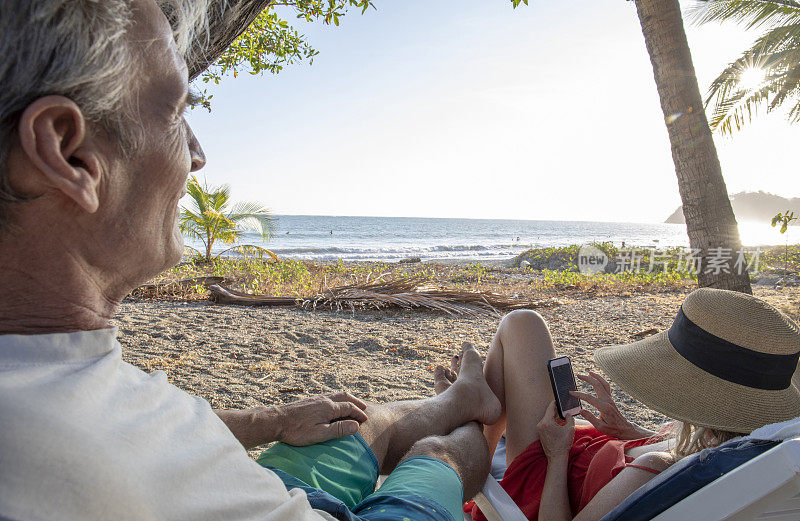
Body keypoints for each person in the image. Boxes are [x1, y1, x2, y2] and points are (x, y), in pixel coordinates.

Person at [0, 2, 502, 520]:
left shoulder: (40, 371)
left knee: (367, 420)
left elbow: (129, 424)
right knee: (437, 453)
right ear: (67, 150)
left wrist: (275, 419)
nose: (196, 155)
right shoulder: (61, 458)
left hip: (252, 483)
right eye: (175, 114)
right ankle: (476, 422)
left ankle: (459, 399)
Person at [456, 287, 800, 521]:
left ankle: (474, 462)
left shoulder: (656, 467)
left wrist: (558, 454)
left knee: (521, 324)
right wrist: (628, 430)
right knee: (524, 325)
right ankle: (475, 405)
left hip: (545, 473)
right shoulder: (747, 441)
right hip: (592, 444)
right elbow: (688, 450)